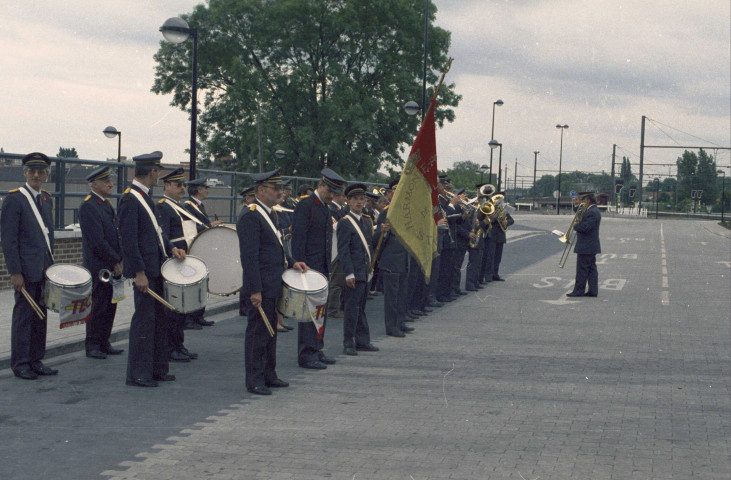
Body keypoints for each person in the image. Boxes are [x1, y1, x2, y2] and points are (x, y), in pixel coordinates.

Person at [118, 152, 186, 387]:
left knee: (159, 320)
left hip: (156, 269)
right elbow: (129, 241)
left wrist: (172, 248)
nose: (158, 175)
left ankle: (157, 368)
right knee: (144, 322)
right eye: (157, 171)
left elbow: (155, 234)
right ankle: (139, 373)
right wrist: (139, 273)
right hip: (145, 272)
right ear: (152, 172)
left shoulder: (144, 197)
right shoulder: (130, 199)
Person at [237, 168, 307, 395]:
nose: (280, 192)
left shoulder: (270, 213)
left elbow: (276, 247)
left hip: (273, 282)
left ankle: (269, 374)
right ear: (260, 190)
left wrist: (292, 262)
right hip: (261, 284)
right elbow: (250, 257)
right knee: (258, 332)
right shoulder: (251, 215)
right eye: (275, 188)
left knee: (270, 333)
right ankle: (254, 379)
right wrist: (255, 289)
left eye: (281, 188)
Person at [1, 152, 57, 380]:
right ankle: (21, 363)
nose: (36, 175)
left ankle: (36, 359)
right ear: (25, 173)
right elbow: (9, 239)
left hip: (43, 268)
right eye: (32, 171)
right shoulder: (14, 199)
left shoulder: (46, 199)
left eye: (41, 171)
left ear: (46, 174)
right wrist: (15, 272)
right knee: (24, 317)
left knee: (40, 316)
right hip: (25, 270)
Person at [291, 168, 345, 369]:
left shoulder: (324, 207)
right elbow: (298, 236)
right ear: (320, 186)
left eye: (335, 193)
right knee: (308, 313)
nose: (332, 196)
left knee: (319, 312)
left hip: (321, 268)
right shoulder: (306, 205)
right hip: (307, 268)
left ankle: (316, 347)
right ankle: (306, 354)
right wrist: (299, 262)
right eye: (329, 191)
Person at [78, 166, 124, 360]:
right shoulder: (89, 205)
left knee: (110, 304)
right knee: (98, 305)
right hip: (99, 265)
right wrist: (114, 260)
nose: (111, 184)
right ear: (94, 184)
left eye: (110, 181)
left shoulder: (105, 204)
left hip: (113, 264)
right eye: (106, 182)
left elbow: (115, 234)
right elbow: (97, 241)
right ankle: (93, 344)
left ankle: (104, 341)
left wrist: (120, 259)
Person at [157, 168, 199, 362]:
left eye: (183, 185)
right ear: (166, 186)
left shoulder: (179, 206)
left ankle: (178, 344)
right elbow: (163, 235)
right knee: (173, 308)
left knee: (181, 307)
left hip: (184, 258)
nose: (182, 188)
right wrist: (173, 249)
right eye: (178, 185)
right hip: (173, 259)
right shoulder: (164, 207)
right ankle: (170, 347)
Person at [336, 183, 379, 355]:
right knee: (351, 308)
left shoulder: (367, 221)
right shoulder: (345, 223)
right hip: (353, 271)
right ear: (348, 201)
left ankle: (362, 340)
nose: (359, 202)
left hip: (365, 270)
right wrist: (349, 273)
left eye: (362, 199)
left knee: (361, 307)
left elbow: (369, 245)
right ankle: (348, 342)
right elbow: (343, 250)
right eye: (355, 199)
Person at [373, 179, 414, 338]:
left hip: (403, 259)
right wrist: (385, 231)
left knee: (402, 294)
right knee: (391, 297)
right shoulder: (386, 212)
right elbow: (377, 239)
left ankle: (400, 322)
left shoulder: (405, 212)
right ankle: (391, 326)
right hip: (391, 260)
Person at [183, 177, 222, 328]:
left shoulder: (199, 206)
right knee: (194, 284)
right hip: (194, 249)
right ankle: (190, 318)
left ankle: (199, 314)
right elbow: (190, 228)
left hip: (203, 248)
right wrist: (211, 226)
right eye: (205, 188)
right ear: (199, 190)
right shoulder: (188, 206)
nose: (207, 191)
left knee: (203, 282)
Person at [567, 192, 602, 298]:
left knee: (582, 270)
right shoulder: (592, 210)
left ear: (588, 201)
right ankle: (593, 290)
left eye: (583, 200)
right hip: (590, 246)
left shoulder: (592, 212)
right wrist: (577, 205)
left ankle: (579, 291)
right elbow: (580, 213)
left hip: (586, 246)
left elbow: (586, 227)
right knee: (591, 270)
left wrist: (576, 226)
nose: (582, 202)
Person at [484, 193, 514, 282]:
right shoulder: (489, 209)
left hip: (500, 236)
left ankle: (495, 274)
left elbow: (512, 220)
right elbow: (487, 220)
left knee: (498, 257)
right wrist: (492, 217)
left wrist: (506, 221)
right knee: (490, 256)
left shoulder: (502, 210)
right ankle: (488, 275)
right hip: (492, 235)